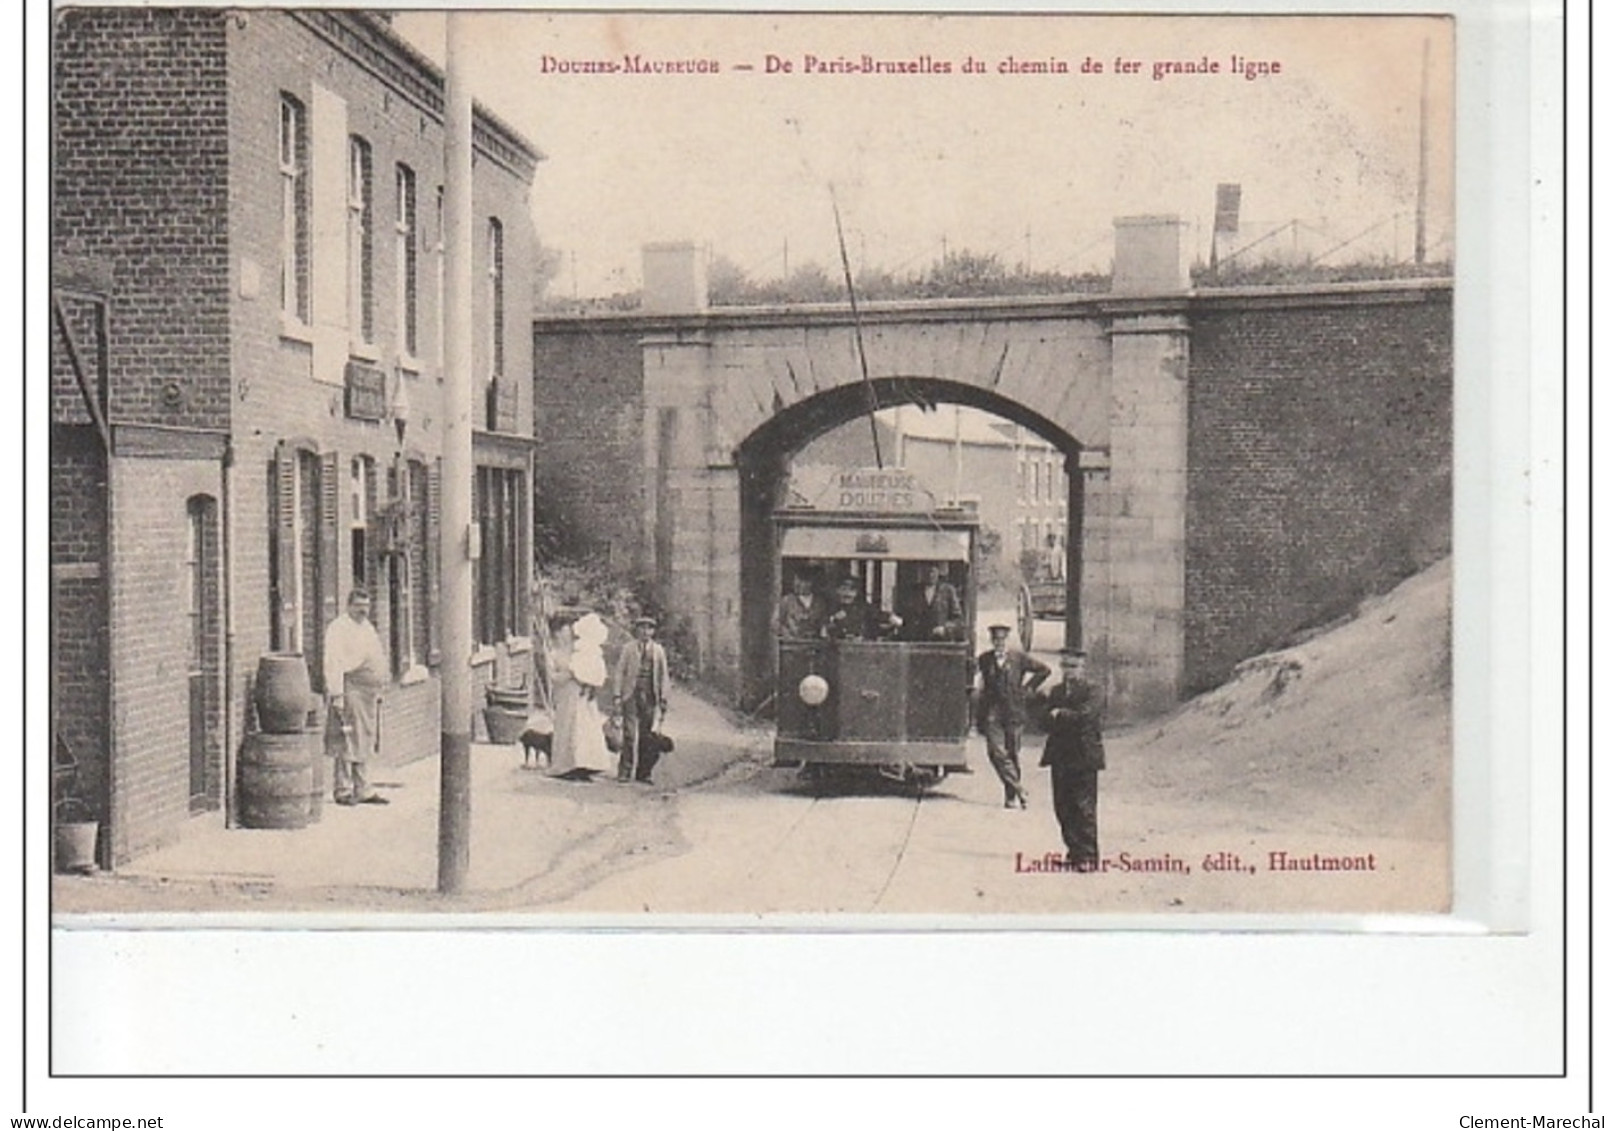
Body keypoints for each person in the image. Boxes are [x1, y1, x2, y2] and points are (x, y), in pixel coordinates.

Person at [1037, 648, 1106, 870]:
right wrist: (1047, 711)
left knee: (1083, 806)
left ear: (1083, 668)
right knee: (1063, 806)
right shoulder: (1056, 692)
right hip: (1060, 755)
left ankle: (1088, 856)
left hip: (1084, 755)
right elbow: (1043, 722)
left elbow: (1086, 716)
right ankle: (1073, 852)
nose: (1069, 671)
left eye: (1074, 666)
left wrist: (1060, 714)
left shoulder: (1093, 690)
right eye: (1065, 666)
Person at [323, 587, 390, 805]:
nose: (364, 611)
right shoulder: (338, 628)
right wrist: (337, 694)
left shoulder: (367, 628)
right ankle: (342, 789)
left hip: (367, 692)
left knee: (364, 738)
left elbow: (375, 655)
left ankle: (363, 788)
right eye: (359, 606)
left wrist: (379, 682)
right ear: (349, 606)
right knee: (348, 737)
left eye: (366, 606)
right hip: (349, 687)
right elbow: (333, 663)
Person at [974, 623, 1050, 809]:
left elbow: (1044, 670)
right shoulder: (985, 659)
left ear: (1007, 640)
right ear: (992, 641)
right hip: (993, 711)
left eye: (1002, 639)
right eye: (995, 640)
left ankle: (1011, 796)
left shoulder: (1018, 658)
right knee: (995, 751)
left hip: (1014, 711)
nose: (999, 643)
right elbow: (975, 676)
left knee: (1012, 753)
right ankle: (1019, 789)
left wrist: (1028, 689)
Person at [545, 611, 613, 779]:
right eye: (562, 632)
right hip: (566, 695)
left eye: (569, 632)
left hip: (583, 696)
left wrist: (589, 681)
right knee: (568, 729)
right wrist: (571, 674)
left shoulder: (581, 650)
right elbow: (553, 677)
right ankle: (566, 767)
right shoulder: (553, 653)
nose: (566, 635)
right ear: (556, 634)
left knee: (585, 730)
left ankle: (586, 766)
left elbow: (593, 669)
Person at [613, 615, 670, 784]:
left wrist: (664, 698)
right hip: (630, 694)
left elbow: (663, 676)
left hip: (649, 695)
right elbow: (619, 672)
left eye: (649, 628)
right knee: (629, 734)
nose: (645, 632)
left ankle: (643, 773)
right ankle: (624, 771)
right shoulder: (628, 648)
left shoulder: (658, 650)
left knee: (646, 736)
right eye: (642, 628)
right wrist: (617, 695)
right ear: (637, 630)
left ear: (653, 631)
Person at [822, 574, 903, 641]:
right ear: (837, 590)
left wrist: (891, 618)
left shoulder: (863, 608)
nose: (847, 593)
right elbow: (821, 625)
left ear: (856, 593)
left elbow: (878, 614)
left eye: (852, 590)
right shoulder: (829, 607)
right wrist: (832, 619)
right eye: (843, 589)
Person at [899, 562, 964, 641]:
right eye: (926, 571)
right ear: (922, 572)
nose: (930, 575)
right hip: (917, 641)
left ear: (938, 572)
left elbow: (957, 619)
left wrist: (945, 629)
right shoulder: (914, 591)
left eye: (932, 571)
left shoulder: (948, 591)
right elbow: (905, 615)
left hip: (941, 643)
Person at [772, 570, 827, 639]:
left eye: (801, 582)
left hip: (813, 644)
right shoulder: (787, 601)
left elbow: (824, 623)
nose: (796, 585)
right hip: (792, 645)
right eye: (795, 582)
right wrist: (787, 634)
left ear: (810, 583)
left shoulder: (819, 602)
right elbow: (775, 623)